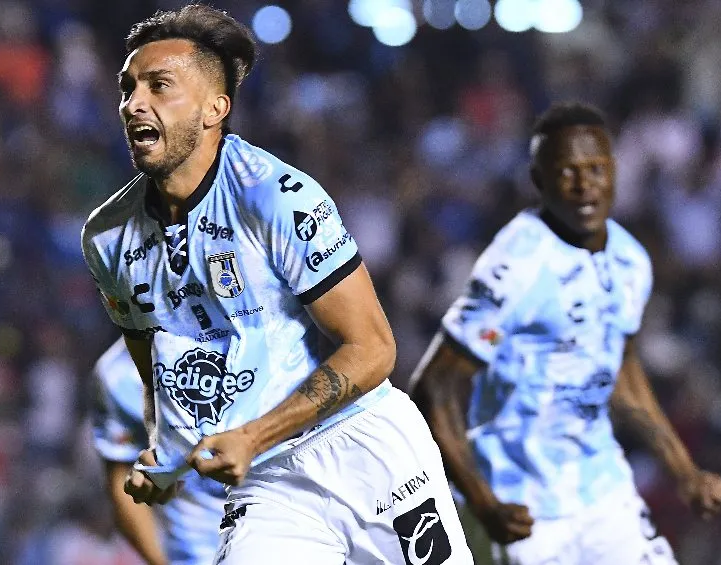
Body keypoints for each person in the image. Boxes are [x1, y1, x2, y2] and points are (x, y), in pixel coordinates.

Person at [81, 5, 472, 564]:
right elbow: (156, 364)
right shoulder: (107, 237)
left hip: (365, 449)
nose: (134, 103)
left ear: (215, 108)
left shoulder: (275, 197)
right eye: (128, 88)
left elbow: (374, 348)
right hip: (268, 483)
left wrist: (251, 436)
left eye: (158, 86)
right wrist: (166, 452)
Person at [408, 102, 721, 564]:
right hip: (523, 501)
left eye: (596, 169)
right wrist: (482, 500)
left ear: (614, 172)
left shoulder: (630, 260)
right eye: (566, 172)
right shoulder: (517, 263)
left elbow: (621, 372)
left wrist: (684, 471)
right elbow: (434, 384)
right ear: (540, 180)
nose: (584, 185)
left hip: (601, 490)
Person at [90, 338, 226, 565]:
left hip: (276, 531)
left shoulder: (256, 335)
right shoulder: (117, 374)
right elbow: (122, 487)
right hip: (195, 551)